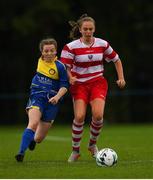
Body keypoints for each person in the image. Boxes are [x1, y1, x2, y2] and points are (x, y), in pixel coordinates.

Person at [60, 14, 126, 162]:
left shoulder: (102, 44)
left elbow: (116, 59)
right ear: (80, 30)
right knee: (79, 116)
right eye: (85, 29)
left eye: (91, 29)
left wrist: (121, 78)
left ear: (94, 29)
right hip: (79, 85)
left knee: (97, 115)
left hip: (98, 83)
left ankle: (92, 145)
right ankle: (75, 151)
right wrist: (70, 77)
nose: (88, 32)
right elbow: (64, 67)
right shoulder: (70, 47)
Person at [15, 38, 69, 162]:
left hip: (52, 102)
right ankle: (21, 153)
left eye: (52, 50)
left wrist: (57, 97)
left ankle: (33, 140)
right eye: (46, 51)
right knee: (33, 123)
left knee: (39, 138)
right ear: (42, 52)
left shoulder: (60, 66)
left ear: (56, 52)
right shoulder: (40, 62)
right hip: (37, 97)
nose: (49, 53)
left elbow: (65, 86)